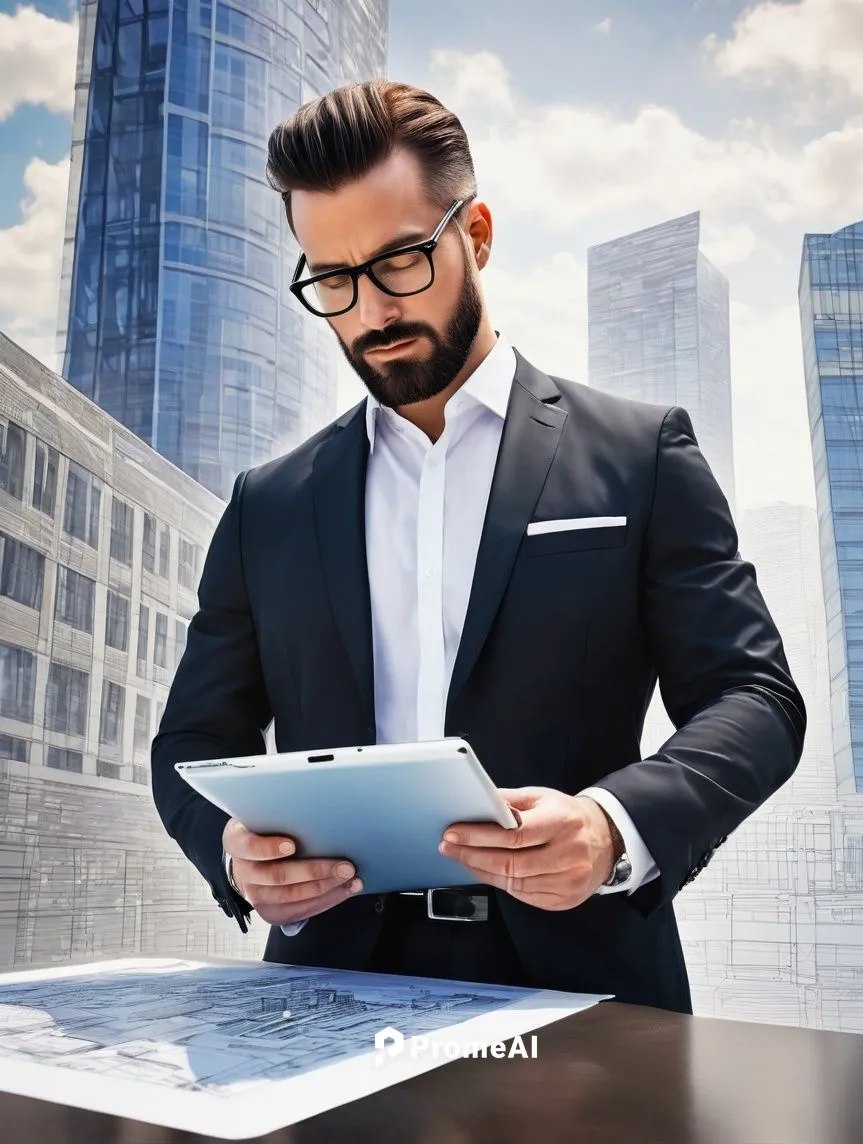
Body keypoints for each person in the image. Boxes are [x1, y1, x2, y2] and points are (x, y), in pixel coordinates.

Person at [151, 78, 806, 1014]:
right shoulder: (270, 505)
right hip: (324, 996)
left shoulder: (638, 454)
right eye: (332, 279)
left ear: (479, 233)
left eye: (401, 261)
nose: (370, 311)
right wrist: (229, 848)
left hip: (581, 990)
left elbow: (756, 697)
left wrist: (613, 825)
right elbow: (191, 738)